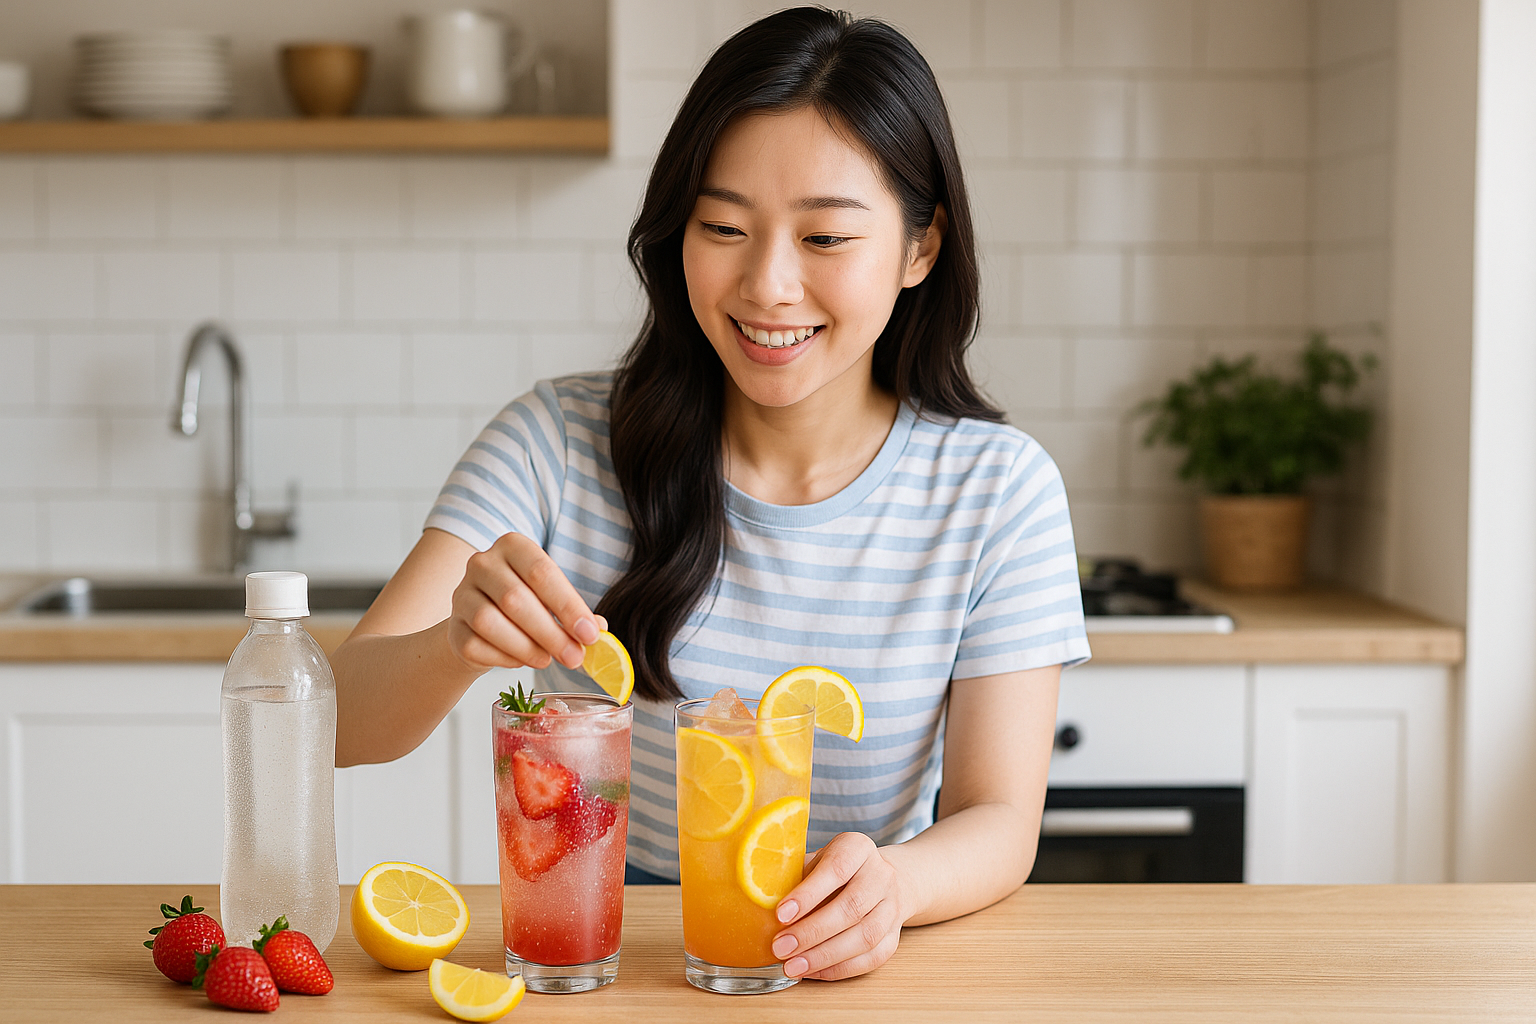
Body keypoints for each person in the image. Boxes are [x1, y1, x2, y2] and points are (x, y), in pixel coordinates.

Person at [332, 7, 1089, 982]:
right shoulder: (555, 443)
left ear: (919, 248)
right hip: (616, 972)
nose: (768, 285)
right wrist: (453, 645)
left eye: (823, 237)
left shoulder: (998, 489)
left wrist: (894, 885)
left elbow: (998, 819)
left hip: (862, 972)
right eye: (724, 227)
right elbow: (340, 721)